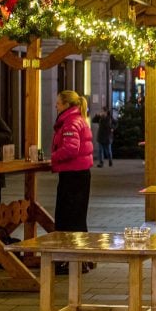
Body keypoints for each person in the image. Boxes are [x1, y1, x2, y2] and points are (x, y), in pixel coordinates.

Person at [51, 91, 94, 234]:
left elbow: (70, 149)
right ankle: (79, 246)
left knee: (67, 220)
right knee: (77, 218)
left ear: (66, 105)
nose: (56, 107)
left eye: (58, 103)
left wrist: (53, 157)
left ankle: (67, 247)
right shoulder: (79, 119)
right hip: (80, 174)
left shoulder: (70, 122)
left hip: (72, 175)